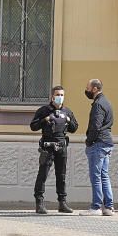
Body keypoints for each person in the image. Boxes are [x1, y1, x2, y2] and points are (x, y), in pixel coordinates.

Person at [29, 85, 79, 214]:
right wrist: (45, 120)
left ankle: (62, 203)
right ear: (52, 96)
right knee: (43, 175)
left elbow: (74, 128)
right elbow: (33, 126)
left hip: (62, 146)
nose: (60, 97)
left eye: (62, 95)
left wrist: (68, 120)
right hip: (48, 146)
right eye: (57, 95)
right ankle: (39, 203)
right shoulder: (44, 110)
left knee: (61, 176)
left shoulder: (67, 111)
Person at [81, 78, 115, 216]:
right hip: (107, 142)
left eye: (88, 88)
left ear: (95, 89)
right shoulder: (106, 102)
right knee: (104, 176)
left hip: (99, 143)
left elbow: (96, 125)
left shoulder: (98, 104)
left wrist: (89, 141)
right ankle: (108, 207)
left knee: (96, 176)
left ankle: (96, 207)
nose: (86, 90)